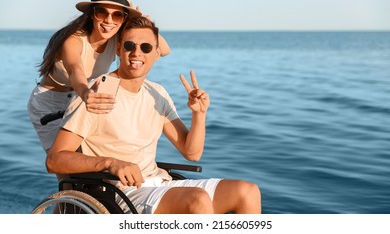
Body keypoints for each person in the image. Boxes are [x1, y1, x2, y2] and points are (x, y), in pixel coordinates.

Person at [46, 16, 261, 214]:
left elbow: (191, 153)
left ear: (157, 53)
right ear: (119, 49)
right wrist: (110, 163)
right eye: (129, 46)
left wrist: (199, 115)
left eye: (146, 47)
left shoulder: (157, 92)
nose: (137, 53)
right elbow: (55, 159)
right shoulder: (99, 93)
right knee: (197, 199)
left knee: (248, 192)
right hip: (122, 191)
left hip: (160, 183)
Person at [27, 0, 171, 153]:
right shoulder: (73, 40)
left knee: (92, 156)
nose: (109, 21)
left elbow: (164, 51)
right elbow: (75, 70)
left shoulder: (115, 39)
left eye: (117, 15)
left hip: (81, 97)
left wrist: (146, 23)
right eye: (102, 12)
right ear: (92, 14)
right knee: (63, 159)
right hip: (50, 101)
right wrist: (85, 93)